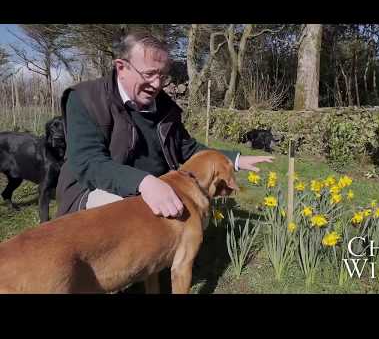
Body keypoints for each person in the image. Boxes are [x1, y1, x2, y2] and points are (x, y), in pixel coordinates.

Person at [55, 31, 273, 219]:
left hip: (156, 185)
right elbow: (89, 163)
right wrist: (144, 183)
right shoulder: (85, 99)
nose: (157, 85)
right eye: (149, 74)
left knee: (191, 213)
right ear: (121, 67)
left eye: (162, 76)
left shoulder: (165, 106)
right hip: (94, 189)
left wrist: (234, 159)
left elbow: (187, 148)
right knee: (133, 214)